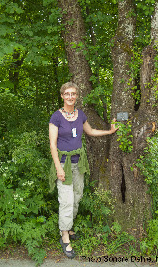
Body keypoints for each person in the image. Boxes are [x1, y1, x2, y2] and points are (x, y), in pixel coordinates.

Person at [49, 82, 118, 259]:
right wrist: (58, 168)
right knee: (66, 200)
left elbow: (91, 131)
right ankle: (65, 237)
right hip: (64, 164)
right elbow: (53, 144)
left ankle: (69, 226)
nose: (70, 97)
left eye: (73, 94)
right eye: (67, 94)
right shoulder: (56, 117)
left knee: (76, 197)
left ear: (77, 96)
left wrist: (109, 132)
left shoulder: (80, 115)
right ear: (62, 96)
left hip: (79, 164)